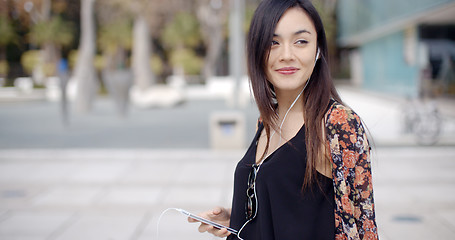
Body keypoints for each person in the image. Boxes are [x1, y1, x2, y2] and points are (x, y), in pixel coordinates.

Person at [188, 0, 379, 239]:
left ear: (318, 49)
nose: (286, 55)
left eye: (301, 41)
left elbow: (362, 226)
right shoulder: (267, 120)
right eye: (273, 42)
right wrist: (237, 218)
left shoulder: (337, 123)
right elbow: (285, 204)